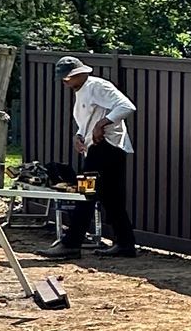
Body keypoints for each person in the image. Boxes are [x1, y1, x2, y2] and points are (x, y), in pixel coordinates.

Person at [57, 56, 138, 257]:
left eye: (68, 77)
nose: (65, 82)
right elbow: (87, 119)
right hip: (98, 148)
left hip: (106, 147)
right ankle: (125, 245)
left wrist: (103, 124)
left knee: (86, 192)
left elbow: (127, 106)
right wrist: (79, 135)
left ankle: (71, 244)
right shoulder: (82, 91)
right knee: (112, 198)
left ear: (80, 73)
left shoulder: (97, 86)